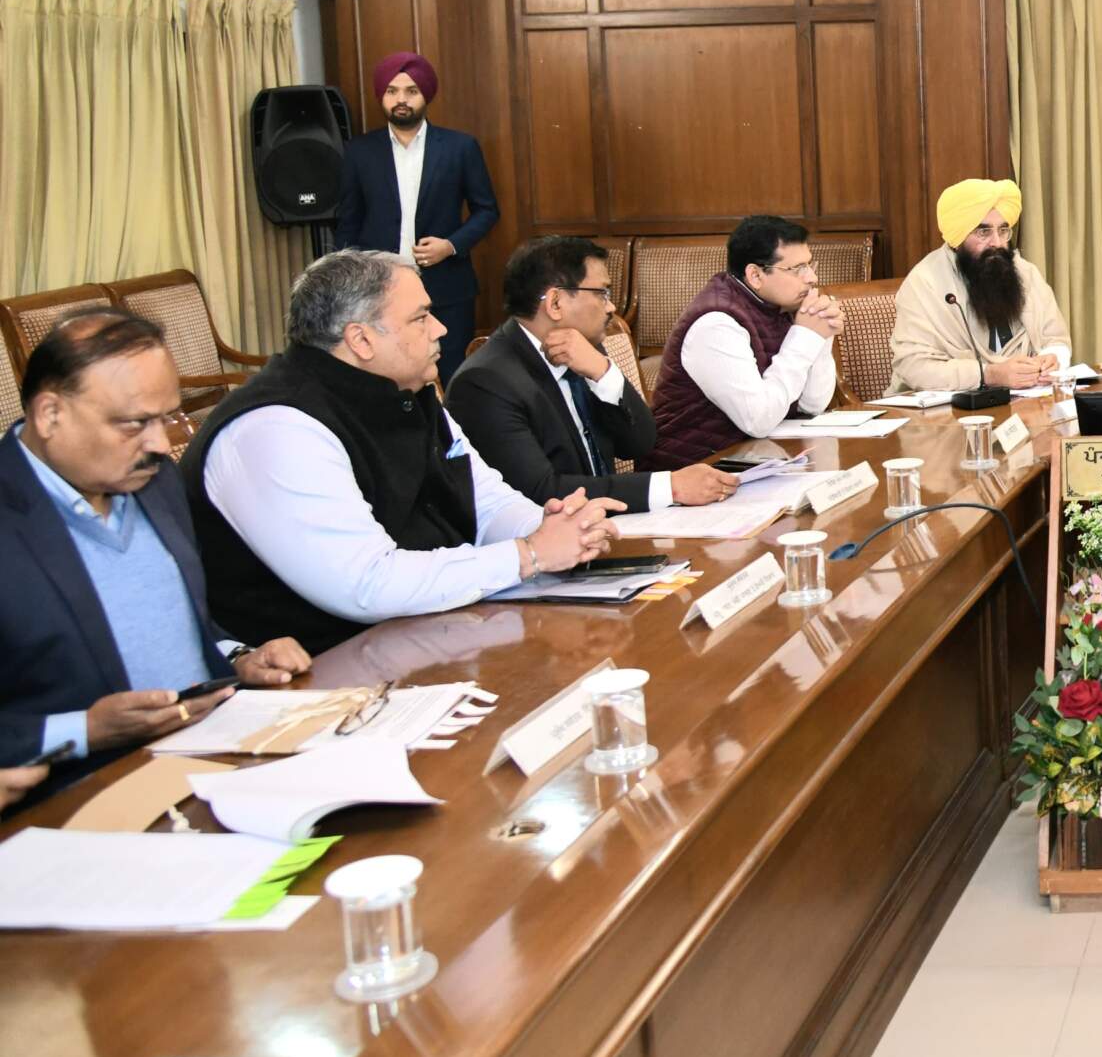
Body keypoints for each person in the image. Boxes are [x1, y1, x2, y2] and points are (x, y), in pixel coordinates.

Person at [187, 251, 618, 654]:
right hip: (320, 673)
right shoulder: (277, 427)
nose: (441, 329)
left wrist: (554, 527)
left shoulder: (406, 392)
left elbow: (485, 500)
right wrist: (529, 554)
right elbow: (367, 584)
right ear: (361, 339)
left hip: (428, 635)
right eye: (421, 318)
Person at [2, 311, 310, 797]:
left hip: (220, 753)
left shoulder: (154, 480)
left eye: (166, 417)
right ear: (50, 415)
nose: (161, 444)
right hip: (86, 793)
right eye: (135, 423)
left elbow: (172, 615)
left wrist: (237, 656)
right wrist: (86, 730)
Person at [445, 236, 738, 513]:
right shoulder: (485, 383)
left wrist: (604, 373)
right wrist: (669, 488)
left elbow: (639, 443)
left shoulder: (585, 351)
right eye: (602, 293)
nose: (611, 307)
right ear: (555, 303)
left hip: (605, 525)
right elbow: (540, 492)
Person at [333, 52, 499, 384]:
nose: (401, 100)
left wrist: (450, 245)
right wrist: (354, 278)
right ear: (381, 96)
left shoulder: (459, 147)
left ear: (426, 95)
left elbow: (487, 210)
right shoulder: (359, 151)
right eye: (392, 91)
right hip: (379, 291)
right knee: (384, 380)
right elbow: (347, 222)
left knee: (452, 377)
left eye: (411, 91)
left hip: (447, 287)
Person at [644, 215, 845, 468]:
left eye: (810, 265)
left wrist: (820, 334)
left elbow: (812, 404)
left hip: (753, 461)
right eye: (797, 269)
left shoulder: (779, 305)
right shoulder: (716, 323)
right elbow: (758, 420)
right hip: (694, 470)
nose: (812, 277)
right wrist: (805, 337)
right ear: (755, 275)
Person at [890, 179, 1075, 393]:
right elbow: (913, 366)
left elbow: (1056, 338)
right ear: (957, 238)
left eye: (1003, 230)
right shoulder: (925, 282)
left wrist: (1052, 358)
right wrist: (989, 375)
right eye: (983, 232)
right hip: (946, 407)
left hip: (1025, 401)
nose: (996, 242)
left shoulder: (1026, 273)